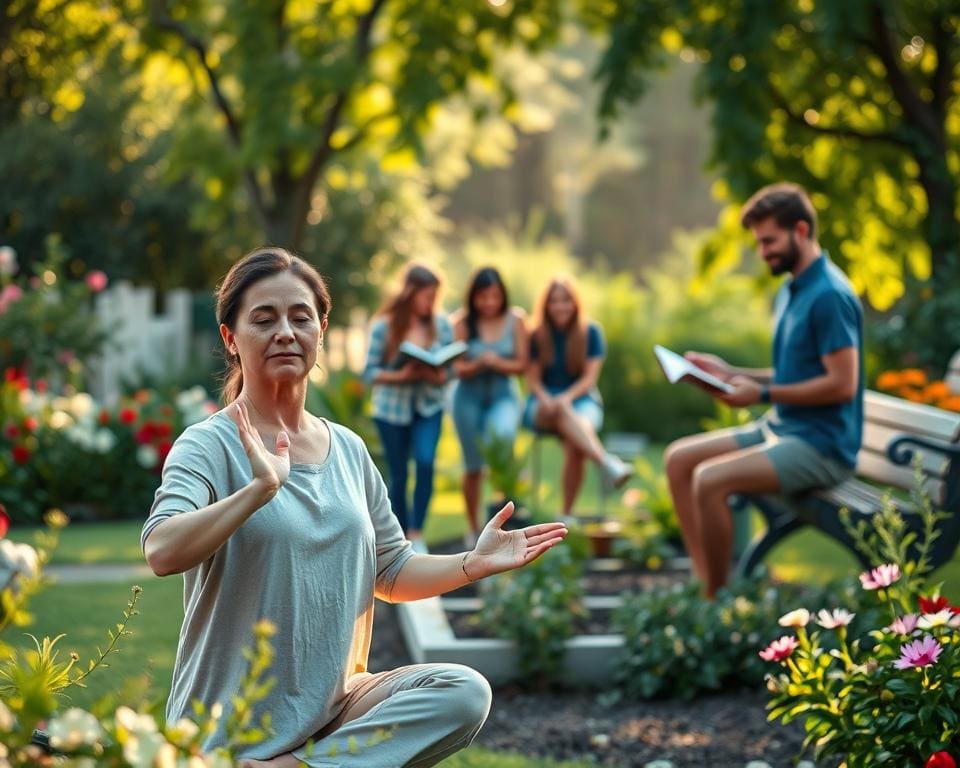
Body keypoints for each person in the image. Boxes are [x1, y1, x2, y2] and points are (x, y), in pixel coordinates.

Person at [141, 248, 568, 768]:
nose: (285, 332)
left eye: (301, 317)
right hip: (229, 725)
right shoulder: (208, 445)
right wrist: (257, 491)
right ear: (230, 338)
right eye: (264, 318)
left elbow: (390, 570)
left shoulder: (347, 449)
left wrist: (471, 565)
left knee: (463, 692)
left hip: (334, 711)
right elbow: (162, 550)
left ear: (321, 330)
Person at [663, 182, 864, 598]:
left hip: (821, 447)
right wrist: (732, 373)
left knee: (709, 479)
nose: (763, 252)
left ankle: (716, 601)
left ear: (802, 231)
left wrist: (762, 396)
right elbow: (796, 371)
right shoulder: (791, 289)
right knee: (678, 460)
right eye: (759, 243)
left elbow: (842, 384)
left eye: (770, 241)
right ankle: (705, 582)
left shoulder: (829, 296)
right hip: (784, 428)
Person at [524, 276, 633, 519]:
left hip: (581, 398)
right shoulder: (536, 335)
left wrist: (565, 399)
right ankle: (606, 463)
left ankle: (566, 515)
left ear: (575, 303)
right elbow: (533, 380)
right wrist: (547, 399)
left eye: (565, 301)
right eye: (554, 301)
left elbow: (589, 380)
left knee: (576, 443)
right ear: (546, 305)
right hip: (542, 403)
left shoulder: (591, 332)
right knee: (566, 415)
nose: (560, 307)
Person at [362, 264, 451, 551]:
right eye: (426, 296)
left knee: (425, 463)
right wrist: (400, 376)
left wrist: (440, 375)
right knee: (399, 473)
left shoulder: (442, 324)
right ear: (410, 293)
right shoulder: (384, 326)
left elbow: (452, 368)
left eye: (434, 296)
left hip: (428, 405)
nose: (430, 303)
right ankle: (398, 537)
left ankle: (417, 531)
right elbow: (369, 373)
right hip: (391, 409)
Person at [451, 267, 529, 547]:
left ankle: (504, 525)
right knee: (472, 466)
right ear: (473, 297)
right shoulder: (461, 322)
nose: (489, 303)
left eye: (494, 296)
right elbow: (457, 367)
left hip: (503, 395)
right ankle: (473, 529)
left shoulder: (516, 319)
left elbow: (522, 363)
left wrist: (496, 363)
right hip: (467, 398)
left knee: (501, 440)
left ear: (503, 295)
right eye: (483, 297)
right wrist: (476, 365)